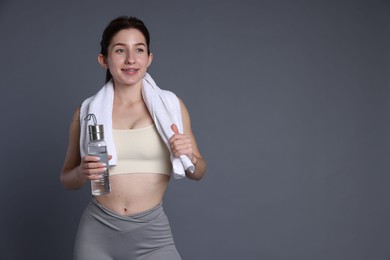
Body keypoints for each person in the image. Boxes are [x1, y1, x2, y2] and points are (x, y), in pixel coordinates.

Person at [60, 16, 206, 260]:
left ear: (149, 58)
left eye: (139, 49)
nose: (130, 59)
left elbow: (198, 171)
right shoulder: (85, 113)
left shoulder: (171, 107)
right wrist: (81, 173)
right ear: (104, 60)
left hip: (153, 237)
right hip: (96, 234)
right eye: (120, 50)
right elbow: (67, 178)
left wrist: (188, 155)